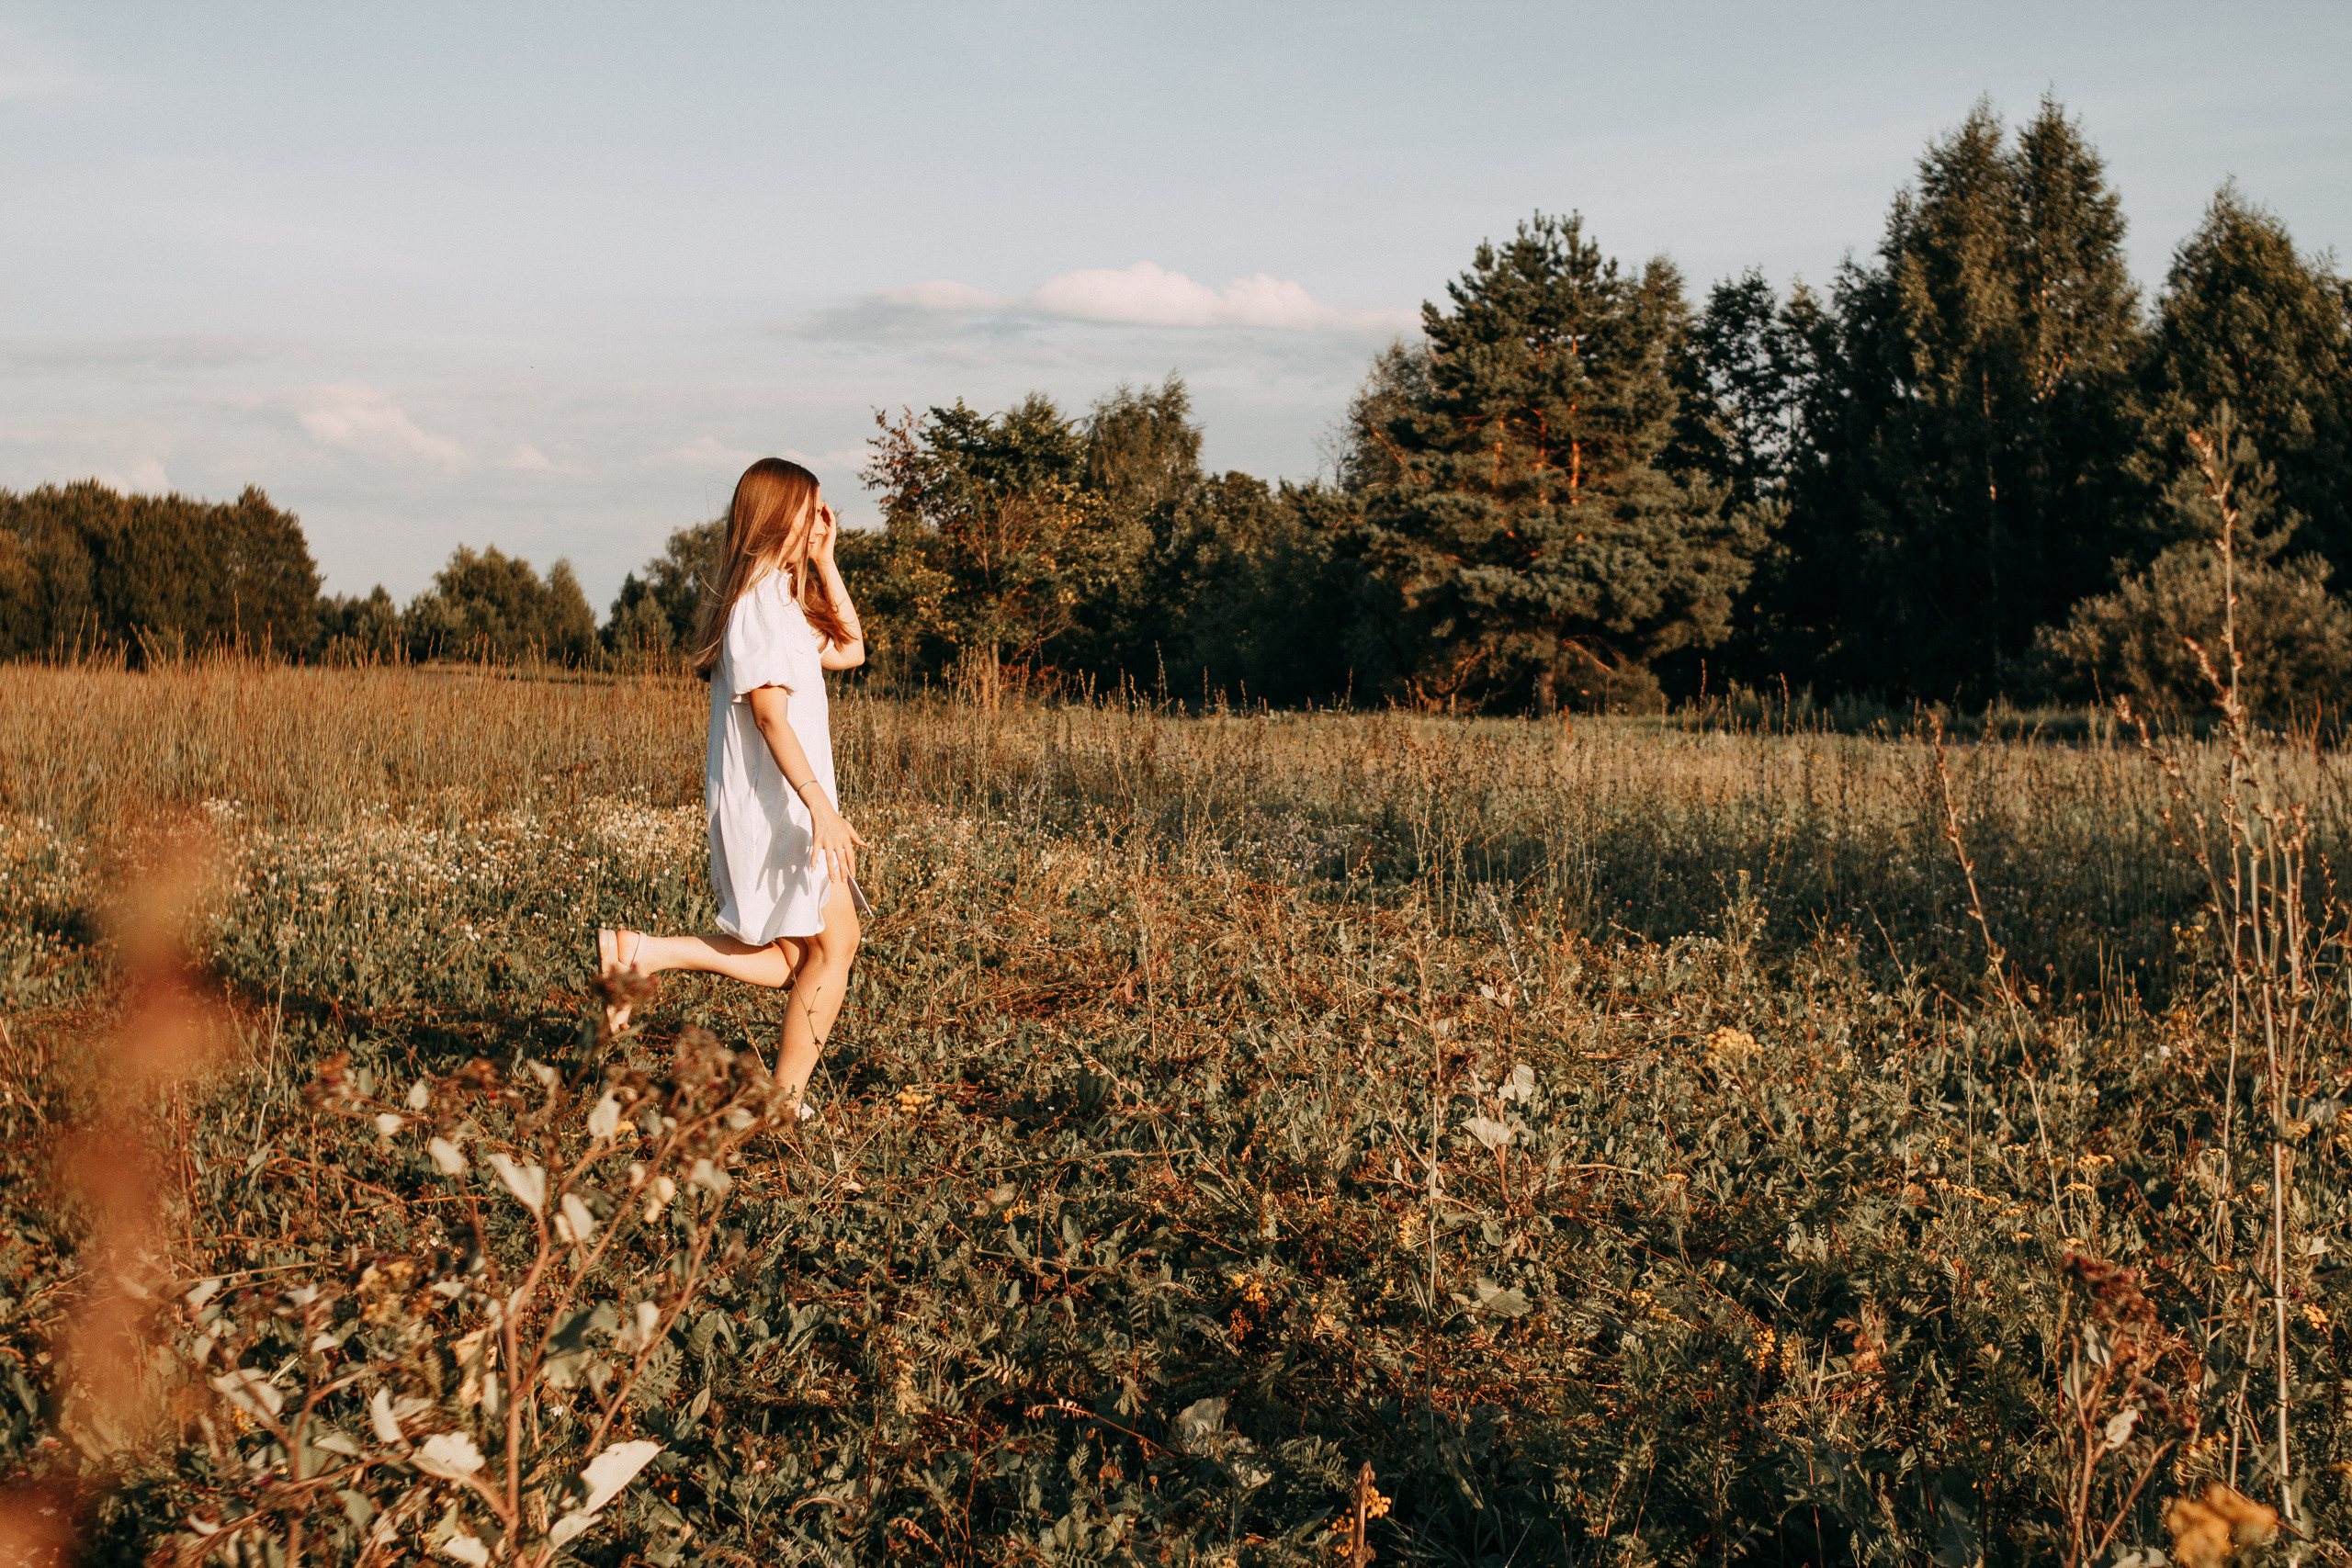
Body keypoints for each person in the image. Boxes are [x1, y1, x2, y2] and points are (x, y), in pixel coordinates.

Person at [597, 457, 867, 1109]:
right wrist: (821, 809)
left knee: (795, 960)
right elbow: (772, 718)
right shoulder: (759, 608)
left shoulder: (781, 602)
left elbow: (853, 648)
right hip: (781, 810)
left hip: (788, 806)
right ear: (780, 515)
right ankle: (783, 1102)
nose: (820, 520)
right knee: (833, 947)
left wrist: (828, 561)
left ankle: (642, 952)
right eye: (812, 510)